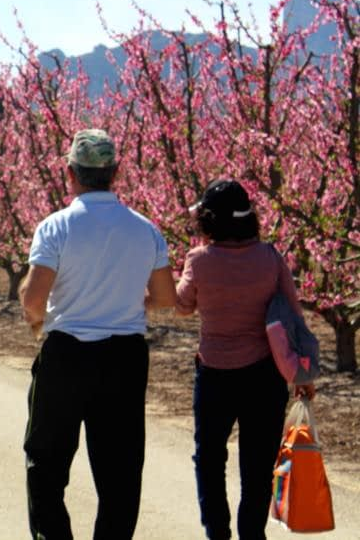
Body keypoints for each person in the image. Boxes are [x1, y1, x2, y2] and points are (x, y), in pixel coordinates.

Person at [18, 129, 176, 540]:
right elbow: (164, 297)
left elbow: (34, 299)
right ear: (116, 172)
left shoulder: (55, 227)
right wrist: (124, 300)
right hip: (124, 357)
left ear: (70, 173)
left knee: (46, 462)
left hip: (67, 355)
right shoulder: (146, 229)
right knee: (120, 471)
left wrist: (40, 313)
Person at [176, 179, 313, 540]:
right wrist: (303, 374)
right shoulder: (270, 258)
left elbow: (183, 306)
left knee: (209, 458)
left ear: (209, 220)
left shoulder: (199, 260)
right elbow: (294, 318)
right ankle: (252, 533)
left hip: (214, 375)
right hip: (263, 377)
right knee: (257, 462)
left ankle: (217, 533)